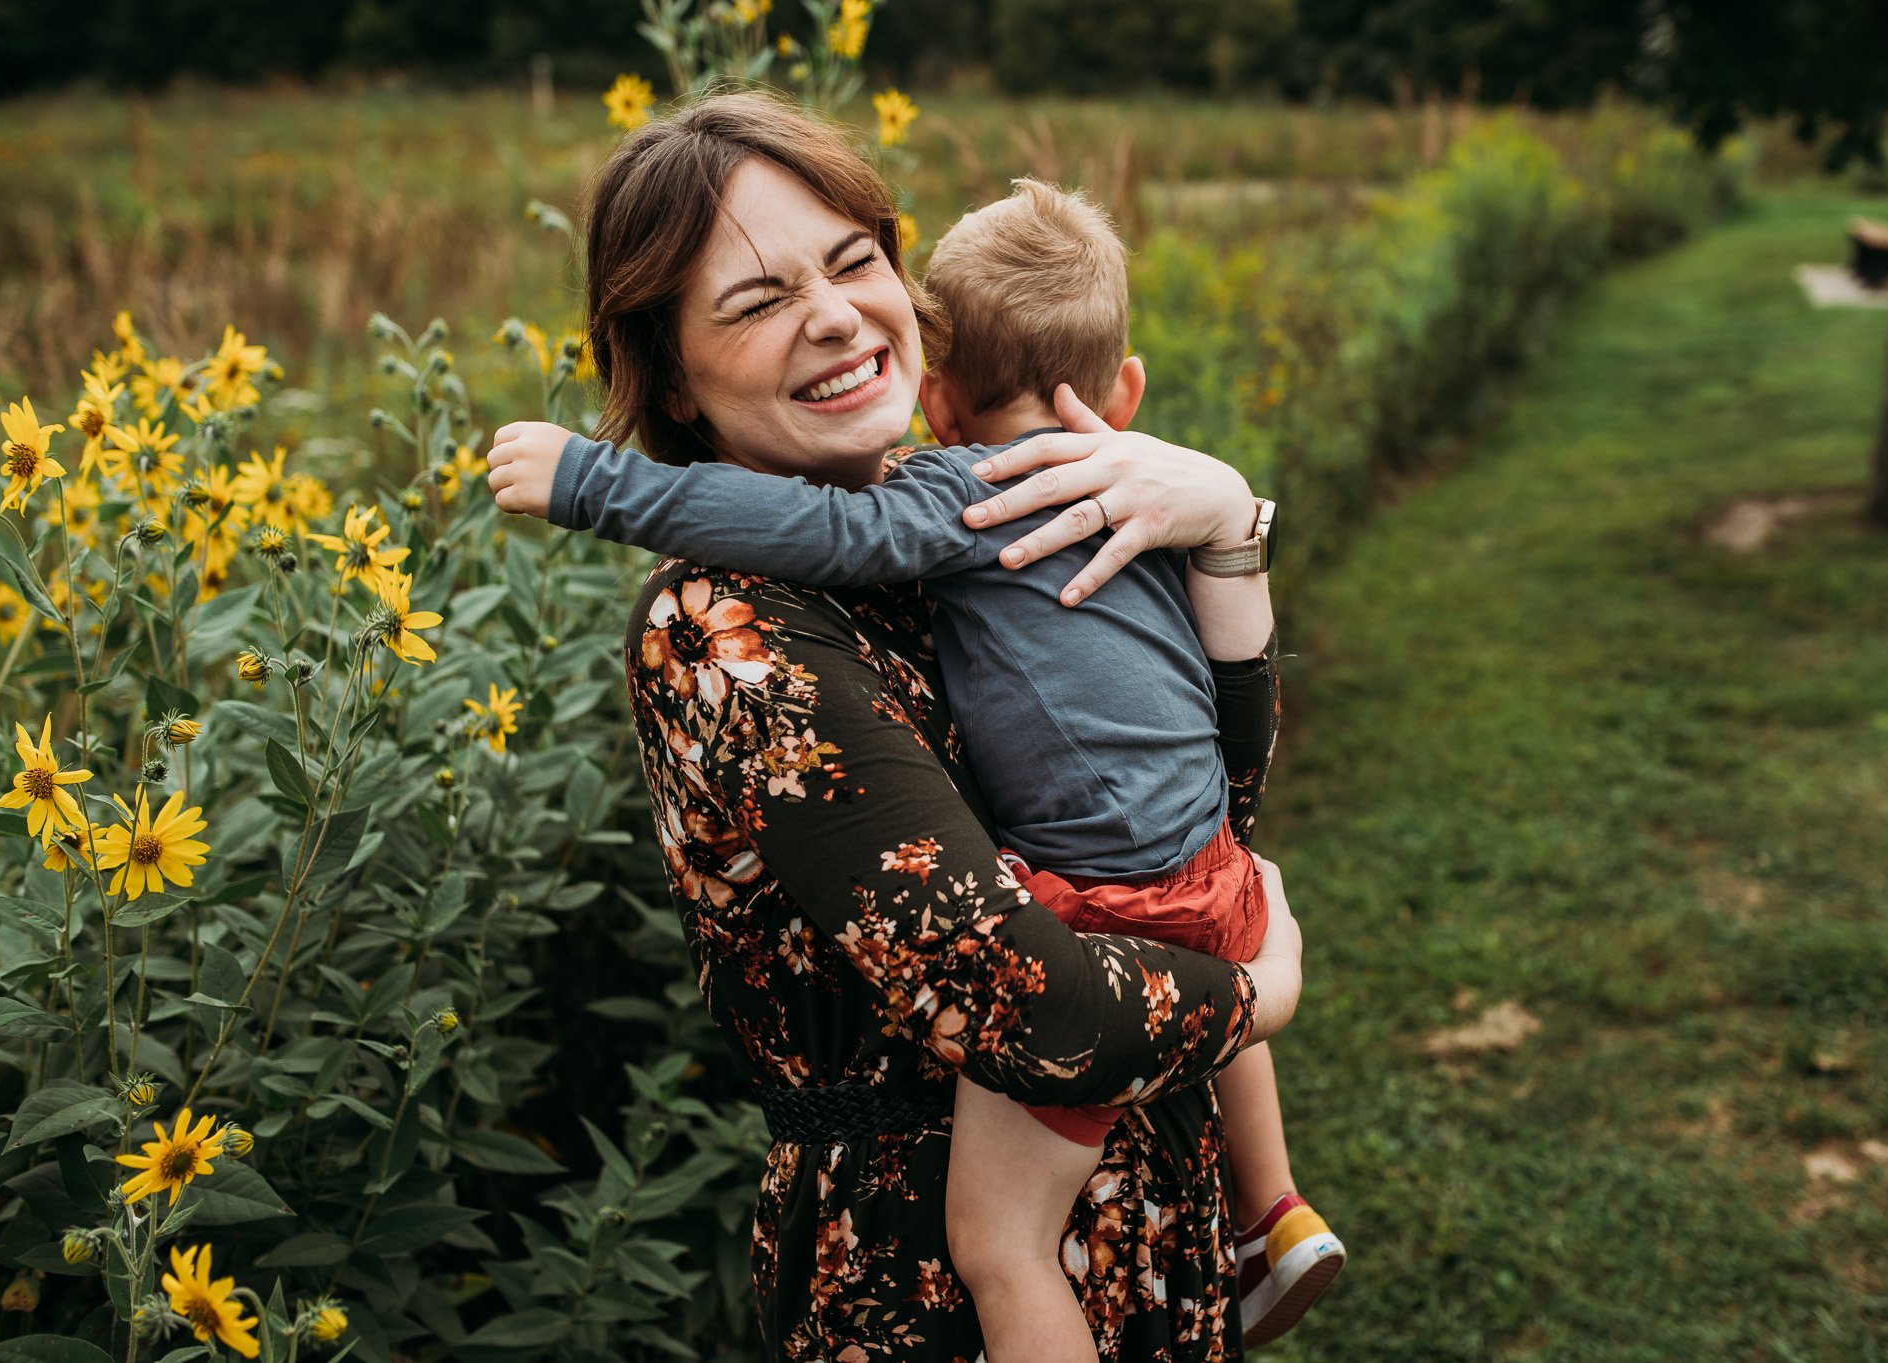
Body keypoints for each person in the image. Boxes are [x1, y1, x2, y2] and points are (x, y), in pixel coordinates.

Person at [485, 91, 1304, 1362]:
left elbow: (1214, 794)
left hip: (1140, 1198)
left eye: (856, 260)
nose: (830, 314)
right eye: (755, 302)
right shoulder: (724, 628)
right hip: (930, 1276)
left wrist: (1220, 519)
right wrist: (1252, 992)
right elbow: (1025, 1007)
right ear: (675, 382)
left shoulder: (958, 520)